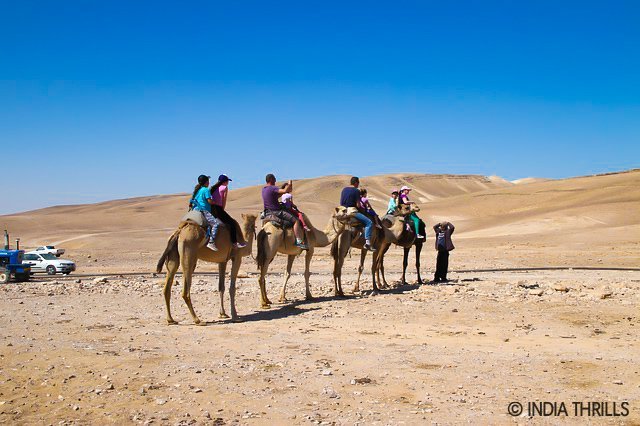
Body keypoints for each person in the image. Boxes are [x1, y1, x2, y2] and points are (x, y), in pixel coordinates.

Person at [262, 174, 308, 249]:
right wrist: (290, 183)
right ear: (271, 179)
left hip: (267, 212)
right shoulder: (272, 188)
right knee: (296, 220)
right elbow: (286, 190)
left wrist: (282, 192)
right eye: (274, 179)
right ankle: (299, 242)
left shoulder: (264, 189)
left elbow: (275, 196)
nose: (275, 181)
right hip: (276, 211)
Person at [210, 174, 247, 249]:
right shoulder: (225, 188)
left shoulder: (213, 188)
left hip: (211, 209)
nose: (228, 183)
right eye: (227, 181)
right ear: (225, 181)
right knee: (232, 223)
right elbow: (223, 200)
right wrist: (222, 210)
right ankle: (234, 243)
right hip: (218, 209)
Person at [340, 176, 375, 251]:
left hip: (342, 211)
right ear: (356, 183)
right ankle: (368, 243)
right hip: (351, 211)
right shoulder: (356, 191)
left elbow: (341, 202)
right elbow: (358, 205)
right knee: (369, 222)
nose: (358, 185)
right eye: (358, 183)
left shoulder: (344, 190)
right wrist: (363, 209)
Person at [189, 174, 221, 251]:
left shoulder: (197, 190)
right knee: (215, 224)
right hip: (203, 210)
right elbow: (209, 201)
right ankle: (211, 242)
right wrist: (215, 202)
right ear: (206, 182)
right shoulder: (206, 190)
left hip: (194, 211)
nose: (209, 183)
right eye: (208, 181)